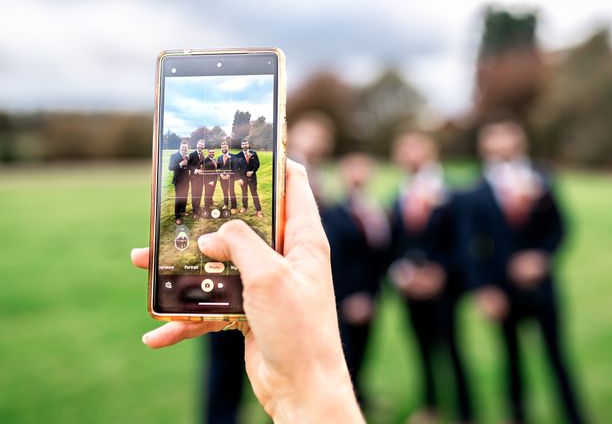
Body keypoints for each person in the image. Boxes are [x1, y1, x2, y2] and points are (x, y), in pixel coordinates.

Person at [131, 161, 364, 423]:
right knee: (221, 377)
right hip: (237, 302)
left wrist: (303, 390)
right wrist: (303, 393)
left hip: (262, 300)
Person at [466, 118, 585, 424]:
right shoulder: (476, 191)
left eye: (507, 136)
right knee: (511, 361)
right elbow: (472, 245)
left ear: (520, 141)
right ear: (484, 145)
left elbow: (560, 227)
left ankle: (574, 416)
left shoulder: (541, 178)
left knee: (557, 358)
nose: (501, 144)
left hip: (543, 288)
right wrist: (485, 289)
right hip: (503, 290)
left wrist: (542, 257)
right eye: (494, 138)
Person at [388, 131, 474, 423]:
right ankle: (430, 405)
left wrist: (441, 273)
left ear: (431, 152)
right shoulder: (398, 196)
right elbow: (396, 243)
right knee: (420, 350)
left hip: (444, 289)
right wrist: (402, 274)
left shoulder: (449, 193)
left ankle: (465, 410)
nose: (410, 154)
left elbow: (462, 241)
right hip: (410, 289)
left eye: (416, 147)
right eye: (404, 148)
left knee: (452, 349)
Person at [322, 153, 389, 403]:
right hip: (345, 297)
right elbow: (335, 260)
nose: (358, 174)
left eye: (364, 168)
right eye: (352, 168)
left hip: (371, 293)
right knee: (343, 355)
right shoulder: (333, 213)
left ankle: (357, 401)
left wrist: (372, 293)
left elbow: (379, 256)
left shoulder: (376, 211)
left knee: (363, 352)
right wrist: (349, 297)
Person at [235, 137, 262, 218]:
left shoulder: (254, 153)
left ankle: (258, 210)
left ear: (248, 144)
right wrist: (239, 178)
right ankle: (244, 207)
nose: (244, 145)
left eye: (246, 144)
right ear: (241, 145)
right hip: (243, 179)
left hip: (252, 178)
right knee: (244, 193)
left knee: (254, 194)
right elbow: (236, 168)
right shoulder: (238, 155)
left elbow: (257, 164)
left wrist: (252, 171)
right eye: (243, 144)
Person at [168, 140, 190, 225]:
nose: (184, 148)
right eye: (183, 147)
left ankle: (183, 210)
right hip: (178, 181)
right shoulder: (174, 156)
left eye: (186, 147)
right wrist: (180, 164)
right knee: (178, 198)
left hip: (186, 180)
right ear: (180, 147)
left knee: (185, 196)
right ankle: (177, 216)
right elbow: (170, 167)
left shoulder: (187, 156)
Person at [217, 141, 238, 214]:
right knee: (224, 192)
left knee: (232, 192)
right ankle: (226, 204)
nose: (224, 148)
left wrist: (230, 175)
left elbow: (235, 168)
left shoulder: (233, 156)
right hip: (222, 178)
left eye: (225, 147)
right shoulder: (219, 158)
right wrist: (220, 175)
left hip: (230, 178)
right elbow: (218, 168)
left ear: (228, 147)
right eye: (222, 147)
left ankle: (233, 207)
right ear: (221, 148)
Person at [188, 139, 207, 218]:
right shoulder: (192, 154)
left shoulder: (203, 155)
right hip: (194, 178)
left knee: (199, 193)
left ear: (203, 146)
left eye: (202, 145)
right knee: (194, 194)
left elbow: (203, 165)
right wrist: (195, 170)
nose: (201, 146)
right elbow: (188, 166)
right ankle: (195, 211)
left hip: (201, 178)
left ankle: (198, 207)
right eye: (200, 144)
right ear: (197, 145)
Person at [202, 149, 219, 215]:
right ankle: (206, 207)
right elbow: (204, 172)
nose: (212, 153)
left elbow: (215, 169)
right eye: (210, 152)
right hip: (208, 180)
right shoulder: (205, 160)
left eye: (213, 152)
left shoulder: (214, 159)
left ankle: (210, 202)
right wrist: (209, 181)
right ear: (208, 153)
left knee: (212, 191)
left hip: (214, 179)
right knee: (207, 193)